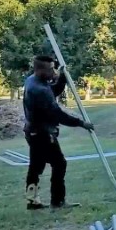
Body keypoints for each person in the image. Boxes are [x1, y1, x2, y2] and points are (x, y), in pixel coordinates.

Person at [23, 55, 94, 210]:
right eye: (50, 69)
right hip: (43, 134)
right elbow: (58, 115)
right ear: (40, 69)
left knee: (36, 166)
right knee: (59, 163)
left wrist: (62, 78)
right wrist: (81, 123)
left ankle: (32, 201)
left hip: (32, 132)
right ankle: (58, 201)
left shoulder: (33, 81)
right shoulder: (39, 89)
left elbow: (52, 91)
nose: (53, 72)